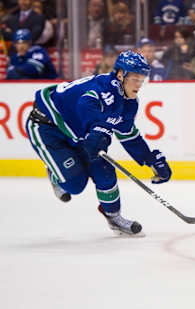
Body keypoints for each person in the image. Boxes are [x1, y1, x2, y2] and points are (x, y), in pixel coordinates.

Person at [25, 50, 172, 236]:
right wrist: (97, 129)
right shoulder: (104, 88)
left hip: (80, 133)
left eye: (141, 79)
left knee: (105, 171)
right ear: (121, 74)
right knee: (75, 185)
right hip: (48, 127)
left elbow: (128, 135)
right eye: (135, 78)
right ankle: (55, 174)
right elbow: (86, 103)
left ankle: (114, 217)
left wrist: (150, 160)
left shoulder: (130, 102)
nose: (139, 85)